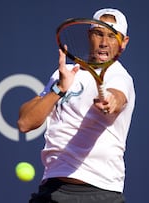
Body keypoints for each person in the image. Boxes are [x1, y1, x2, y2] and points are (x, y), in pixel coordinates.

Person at [17, 8, 135, 203]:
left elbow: (118, 97)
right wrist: (59, 89)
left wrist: (110, 101)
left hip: (101, 193)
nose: (104, 43)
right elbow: (25, 123)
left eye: (112, 36)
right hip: (52, 189)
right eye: (98, 33)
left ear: (124, 43)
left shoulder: (120, 77)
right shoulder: (64, 73)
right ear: (89, 35)